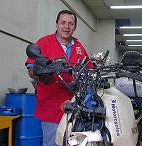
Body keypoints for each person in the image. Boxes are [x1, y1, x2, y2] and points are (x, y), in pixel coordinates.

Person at [25, 10, 93, 146]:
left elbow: (89, 70)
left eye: (71, 24)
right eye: (63, 23)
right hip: (51, 107)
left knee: (73, 143)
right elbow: (31, 69)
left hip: (74, 107)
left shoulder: (79, 46)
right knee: (52, 143)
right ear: (57, 24)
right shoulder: (44, 42)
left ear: (74, 27)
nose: (67, 26)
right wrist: (42, 75)